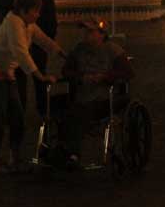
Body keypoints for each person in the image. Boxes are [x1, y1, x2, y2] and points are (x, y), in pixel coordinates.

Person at [0, 0, 64, 174]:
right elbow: (21, 53)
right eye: (35, 11)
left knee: (17, 118)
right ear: (24, 11)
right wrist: (39, 76)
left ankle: (14, 157)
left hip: (7, 75)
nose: (38, 14)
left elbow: (44, 40)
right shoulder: (13, 24)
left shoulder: (28, 25)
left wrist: (61, 53)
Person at [57, 19, 134, 169]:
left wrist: (105, 77)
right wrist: (80, 78)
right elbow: (66, 71)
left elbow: (127, 73)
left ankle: (72, 153)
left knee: (77, 114)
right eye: (85, 32)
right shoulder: (78, 50)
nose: (86, 35)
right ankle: (64, 150)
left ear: (101, 34)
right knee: (61, 109)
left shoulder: (113, 51)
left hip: (104, 98)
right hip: (82, 95)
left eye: (91, 32)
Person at [20, 0, 58, 116]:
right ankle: (42, 107)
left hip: (24, 41)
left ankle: (21, 107)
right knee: (39, 74)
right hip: (39, 43)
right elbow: (52, 21)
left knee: (21, 76)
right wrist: (49, 39)